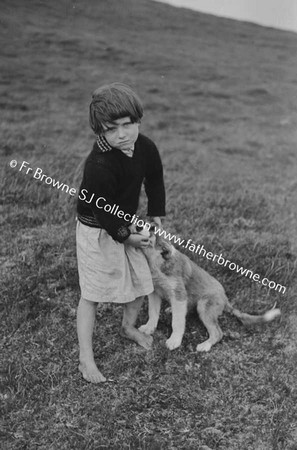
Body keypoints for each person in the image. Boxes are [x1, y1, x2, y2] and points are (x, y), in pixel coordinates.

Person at [76, 82, 166, 383]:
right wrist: (126, 236)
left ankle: (128, 327)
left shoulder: (146, 147)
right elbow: (101, 211)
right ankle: (85, 359)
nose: (122, 134)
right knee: (92, 293)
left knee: (141, 280)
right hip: (96, 229)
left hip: (124, 222)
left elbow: (154, 179)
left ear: (137, 120)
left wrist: (155, 212)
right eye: (111, 129)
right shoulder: (100, 164)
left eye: (128, 124)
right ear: (100, 131)